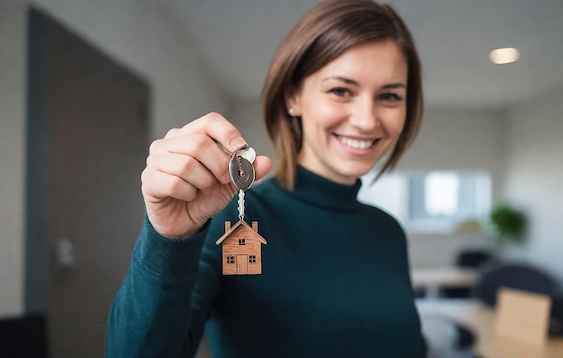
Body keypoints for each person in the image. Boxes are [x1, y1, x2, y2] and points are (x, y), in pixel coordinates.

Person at [106, 0, 427, 356]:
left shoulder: (388, 232)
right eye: (341, 90)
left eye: (389, 96)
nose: (367, 120)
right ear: (293, 96)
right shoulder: (234, 218)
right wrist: (166, 239)